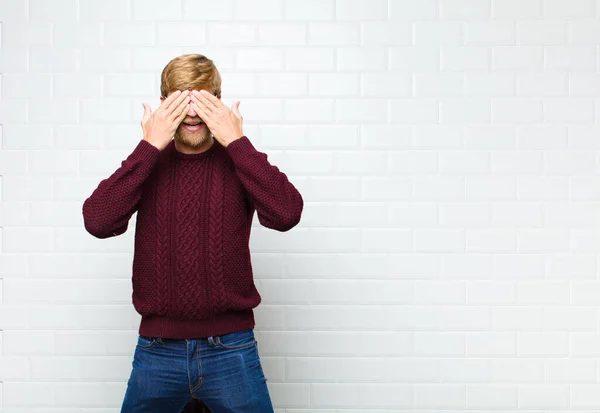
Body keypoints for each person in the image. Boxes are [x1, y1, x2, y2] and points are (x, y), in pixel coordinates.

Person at [82, 54, 304, 413]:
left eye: (202, 101)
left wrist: (237, 141)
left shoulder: (238, 160)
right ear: (163, 105)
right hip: (157, 349)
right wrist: (149, 146)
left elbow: (286, 213)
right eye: (180, 102)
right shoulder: (149, 162)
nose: (192, 113)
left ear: (217, 102)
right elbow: (98, 221)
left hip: (231, 348)